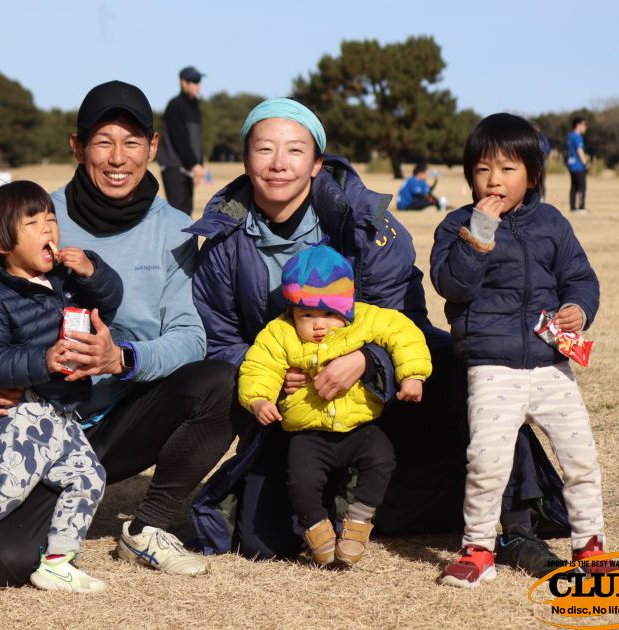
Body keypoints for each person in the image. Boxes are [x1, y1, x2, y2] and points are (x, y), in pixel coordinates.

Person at [187, 98, 569, 577]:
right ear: (246, 160)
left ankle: (516, 521)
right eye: (265, 149)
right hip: (299, 409)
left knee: (470, 369)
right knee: (265, 539)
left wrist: (368, 360)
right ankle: (374, 503)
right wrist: (275, 375)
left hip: (378, 392)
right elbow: (219, 338)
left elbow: (406, 318)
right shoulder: (223, 244)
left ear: (317, 163)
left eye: (295, 151)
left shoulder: (364, 222)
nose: (279, 163)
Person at [0, 80, 235, 586]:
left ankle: (148, 528)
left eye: (132, 142)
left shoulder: (174, 228)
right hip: (39, 421)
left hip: (125, 416)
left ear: (153, 147)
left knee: (222, 380)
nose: (118, 158)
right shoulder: (33, 218)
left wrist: (121, 358)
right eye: (103, 141)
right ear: (77, 147)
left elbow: (190, 335)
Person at [431, 113, 610, 588]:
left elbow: (580, 277)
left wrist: (577, 309)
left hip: (552, 364)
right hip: (492, 368)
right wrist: (479, 234)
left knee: (581, 459)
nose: (494, 180)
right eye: (483, 169)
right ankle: (477, 549)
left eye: (508, 169)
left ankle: (590, 545)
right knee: (487, 464)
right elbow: (453, 285)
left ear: (532, 175)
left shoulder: (552, 222)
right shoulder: (456, 226)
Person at [0, 180, 123, 598]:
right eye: (32, 224)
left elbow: (108, 301)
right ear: (2, 245)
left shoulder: (67, 280)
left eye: (51, 219)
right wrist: (41, 360)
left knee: (89, 478)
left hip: (64, 414)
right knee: (13, 479)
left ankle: (58, 563)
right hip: (21, 413)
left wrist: (94, 271)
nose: (48, 229)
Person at [238, 243, 432, 566]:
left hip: (359, 427)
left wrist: (412, 376)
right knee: (300, 481)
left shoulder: (366, 319)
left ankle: (359, 520)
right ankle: (317, 529)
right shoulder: (279, 333)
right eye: (308, 315)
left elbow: (404, 334)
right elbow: (260, 365)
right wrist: (259, 399)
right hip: (308, 433)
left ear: (347, 308)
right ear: (292, 311)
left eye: (330, 314)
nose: (319, 325)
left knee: (382, 458)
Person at [158, 66, 206, 215]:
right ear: (184, 83)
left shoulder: (195, 108)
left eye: (199, 82)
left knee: (187, 211)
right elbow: (179, 138)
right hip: (174, 165)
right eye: (194, 82)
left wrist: (199, 164)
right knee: (177, 212)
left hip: (189, 166)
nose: (198, 86)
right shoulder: (175, 106)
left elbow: (196, 140)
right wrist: (194, 164)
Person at [565, 117, 589, 212]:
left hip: (571, 164)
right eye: (584, 125)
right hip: (578, 165)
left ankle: (573, 207)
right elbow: (580, 150)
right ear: (578, 125)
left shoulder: (569, 136)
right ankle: (581, 207)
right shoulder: (578, 137)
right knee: (582, 186)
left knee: (574, 186)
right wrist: (585, 163)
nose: (585, 127)